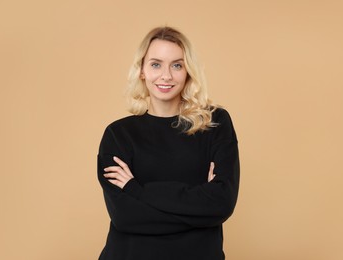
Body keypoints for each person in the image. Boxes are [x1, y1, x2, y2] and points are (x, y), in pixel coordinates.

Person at [97, 26, 240, 260]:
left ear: (188, 72)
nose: (166, 75)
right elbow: (124, 216)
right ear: (142, 70)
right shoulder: (118, 134)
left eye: (177, 65)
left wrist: (137, 190)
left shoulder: (215, 123)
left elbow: (221, 203)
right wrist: (199, 205)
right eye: (156, 64)